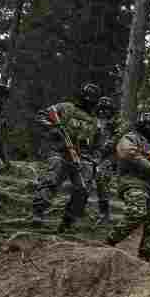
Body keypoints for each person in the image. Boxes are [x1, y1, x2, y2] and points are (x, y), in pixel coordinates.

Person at [32, 81, 100, 231]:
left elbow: (97, 144)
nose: (89, 102)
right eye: (87, 99)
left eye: (92, 100)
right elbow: (41, 116)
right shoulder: (65, 107)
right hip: (59, 151)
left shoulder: (95, 121)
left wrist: (94, 159)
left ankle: (68, 221)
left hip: (81, 156)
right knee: (52, 178)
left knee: (83, 188)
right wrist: (54, 128)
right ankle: (38, 212)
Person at [105, 111, 150, 262]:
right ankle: (109, 242)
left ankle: (144, 259)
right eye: (149, 125)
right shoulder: (130, 138)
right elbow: (127, 153)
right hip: (133, 181)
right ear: (142, 124)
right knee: (137, 213)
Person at [91, 96, 121, 226]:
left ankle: (104, 213)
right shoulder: (92, 122)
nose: (103, 112)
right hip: (91, 154)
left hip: (110, 156)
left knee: (101, 177)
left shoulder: (116, 123)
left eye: (106, 109)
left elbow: (118, 137)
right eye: (101, 109)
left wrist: (107, 146)